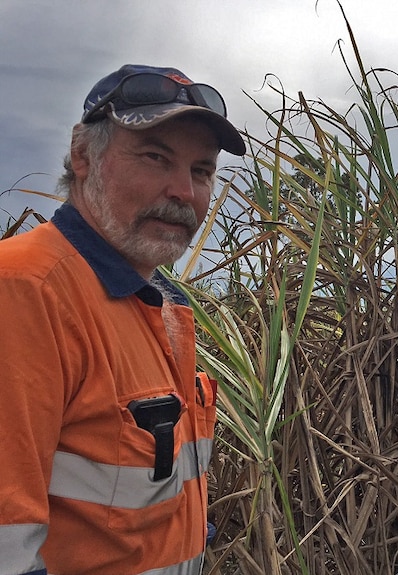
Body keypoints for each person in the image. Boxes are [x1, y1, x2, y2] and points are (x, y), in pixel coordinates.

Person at [0, 64, 245, 575]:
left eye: (201, 171)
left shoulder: (163, 303)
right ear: (83, 156)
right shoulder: (24, 291)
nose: (184, 190)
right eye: (156, 157)